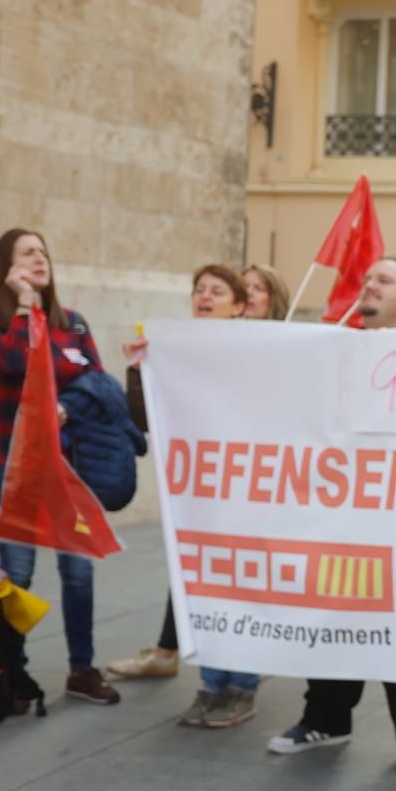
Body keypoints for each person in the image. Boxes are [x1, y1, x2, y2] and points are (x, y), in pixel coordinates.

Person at [267, 257, 396, 773]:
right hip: (343, 510)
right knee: (335, 613)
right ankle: (326, 718)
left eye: (384, 280)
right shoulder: (335, 348)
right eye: (367, 280)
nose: (369, 286)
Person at [0, 228, 119, 706]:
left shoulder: (72, 323)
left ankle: (81, 669)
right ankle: (12, 674)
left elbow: (95, 380)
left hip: (66, 466)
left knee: (78, 571)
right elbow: (10, 360)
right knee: (19, 570)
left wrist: (67, 407)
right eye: (26, 253)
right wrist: (24, 304)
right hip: (6, 461)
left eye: (43, 251)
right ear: (5, 269)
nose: (39, 258)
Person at [110, 265, 264, 726]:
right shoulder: (174, 349)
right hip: (200, 494)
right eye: (199, 289)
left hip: (248, 490)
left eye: (218, 291)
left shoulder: (258, 351)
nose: (205, 296)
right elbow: (143, 417)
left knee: (242, 586)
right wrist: (141, 369)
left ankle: (242, 687)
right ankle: (211, 686)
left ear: (239, 306)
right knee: (206, 588)